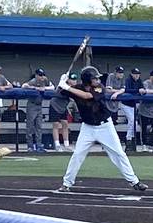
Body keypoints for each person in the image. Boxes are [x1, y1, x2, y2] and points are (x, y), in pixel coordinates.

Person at [55, 65, 147, 194]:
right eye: (94, 78)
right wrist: (62, 83)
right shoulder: (76, 89)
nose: (97, 80)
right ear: (87, 79)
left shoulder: (99, 88)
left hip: (105, 126)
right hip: (87, 128)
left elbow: (87, 96)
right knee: (77, 155)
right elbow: (58, 93)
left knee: (119, 154)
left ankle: (134, 181)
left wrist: (68, 87)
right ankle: (66, 184)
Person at [23, 68, 53, 152]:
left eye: (42, 75)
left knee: (39, 126)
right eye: (40, 75)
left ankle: (39, 145)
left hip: (39, 105)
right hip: (31, 105)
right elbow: (24, 86)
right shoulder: (33, 81)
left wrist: (44, 88)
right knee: (30, 126)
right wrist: (34, 88)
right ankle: (30, 146)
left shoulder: (45, 80)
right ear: (36, 75)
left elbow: (52, 87)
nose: (41, 77)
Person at [114, 67, 141, 149]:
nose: (137, 76)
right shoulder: (128, 80)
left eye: (138, 74)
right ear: (132, 74)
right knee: (132, 121)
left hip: (134, 105)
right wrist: (138, 90)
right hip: (125, 104)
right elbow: (127, 90)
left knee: (134, 123)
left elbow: (142, 89)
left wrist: (141, 90)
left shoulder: (139, 81)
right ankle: (128, 139)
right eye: (135, 74)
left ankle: (130, 140)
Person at [107, 66, 134, 144]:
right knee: (107, 123)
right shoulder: (111, 76)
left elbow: (123, 90)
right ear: (115, 72)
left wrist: (116, 93)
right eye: (119, 72)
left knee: (113, 123)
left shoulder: (123, 77)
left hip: (115, 105)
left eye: (121, 72)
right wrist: (118, 91)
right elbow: (108, 90)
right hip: (107, 103)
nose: (121, 74)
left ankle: (112, 141)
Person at [49, 72, 74, 152]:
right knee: (56, 124)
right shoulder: (62, 85)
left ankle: (66, 145)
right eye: (72, 79)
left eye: (75, 80)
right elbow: (59, 88)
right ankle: (57, 145)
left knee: (65, 124)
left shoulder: (74, 88)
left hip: (63, 107)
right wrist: (62, 79)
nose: (74, 81)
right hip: (55, 105)